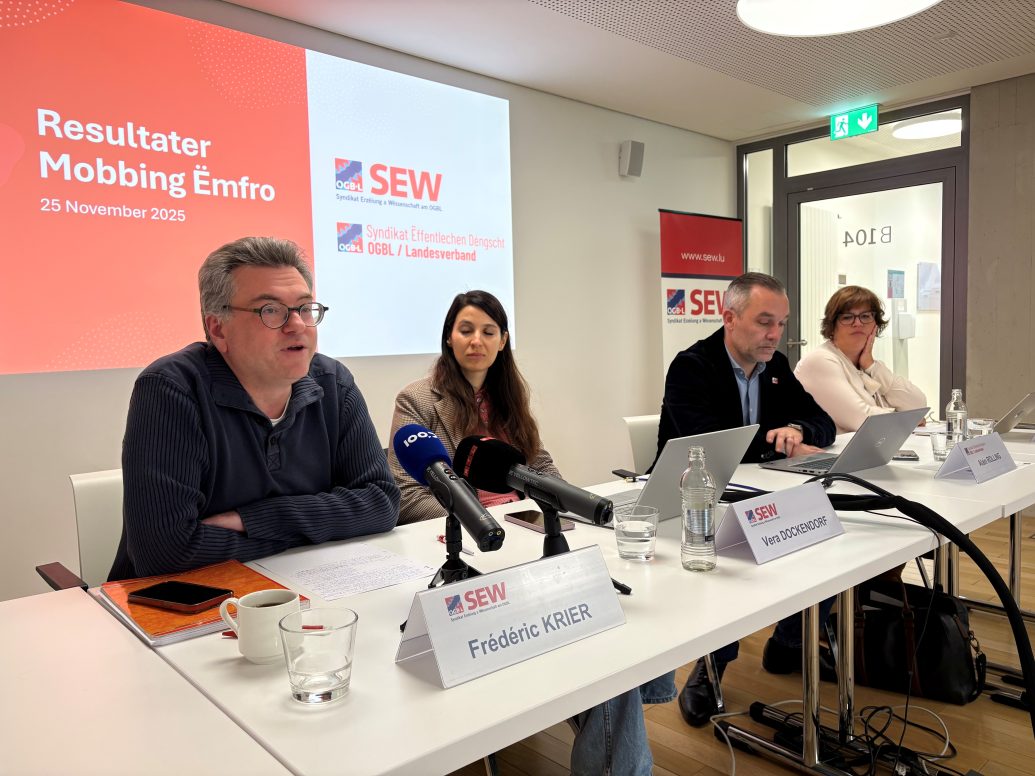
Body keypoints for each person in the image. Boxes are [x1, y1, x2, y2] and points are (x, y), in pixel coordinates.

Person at [388, 290, 669, 776]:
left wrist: (566, 502)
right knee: (596, 638)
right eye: (465, 330)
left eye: (488, 331)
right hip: (469, 552)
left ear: (503, 341)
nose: (476, 341)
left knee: (611, 617)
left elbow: (540, 464)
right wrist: (484, 516)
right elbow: (406, 494)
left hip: (522, 541)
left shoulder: (510, 396)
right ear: (449, 337)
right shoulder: (417, 398)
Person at [109, 237, 399, 580]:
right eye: (271, 310)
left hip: (303, 586)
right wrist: (318, 526)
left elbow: (381, 503)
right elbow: (165, 553)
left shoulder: (333, 383)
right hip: (180, 600)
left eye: (305, 308)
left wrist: (256, 520)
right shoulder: (172, 388)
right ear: (218, 329)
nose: (297, 325)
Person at [656, 272, 837, 728]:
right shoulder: (692, 366)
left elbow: (823, 423)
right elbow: (710, 446)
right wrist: (779, 443)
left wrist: (797, 429)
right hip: (695, 502)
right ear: (730, 318)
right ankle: (710, 666)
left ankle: (789, 644)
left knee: (829, 537)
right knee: (732, 560)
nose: (775, 334)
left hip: (759, 492)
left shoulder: (775, 367)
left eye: (782, 323)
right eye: (764, 322)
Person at [794, 285, 927, 433]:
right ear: (832, 326)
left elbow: (918, 404)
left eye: (865, 316)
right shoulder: (820, 360)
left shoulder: (865, 365)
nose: (857, 323)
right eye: (847, 317)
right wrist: (909, 419)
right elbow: (861, 419)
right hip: (832, 448)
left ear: (876, 325)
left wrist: (871, 366)